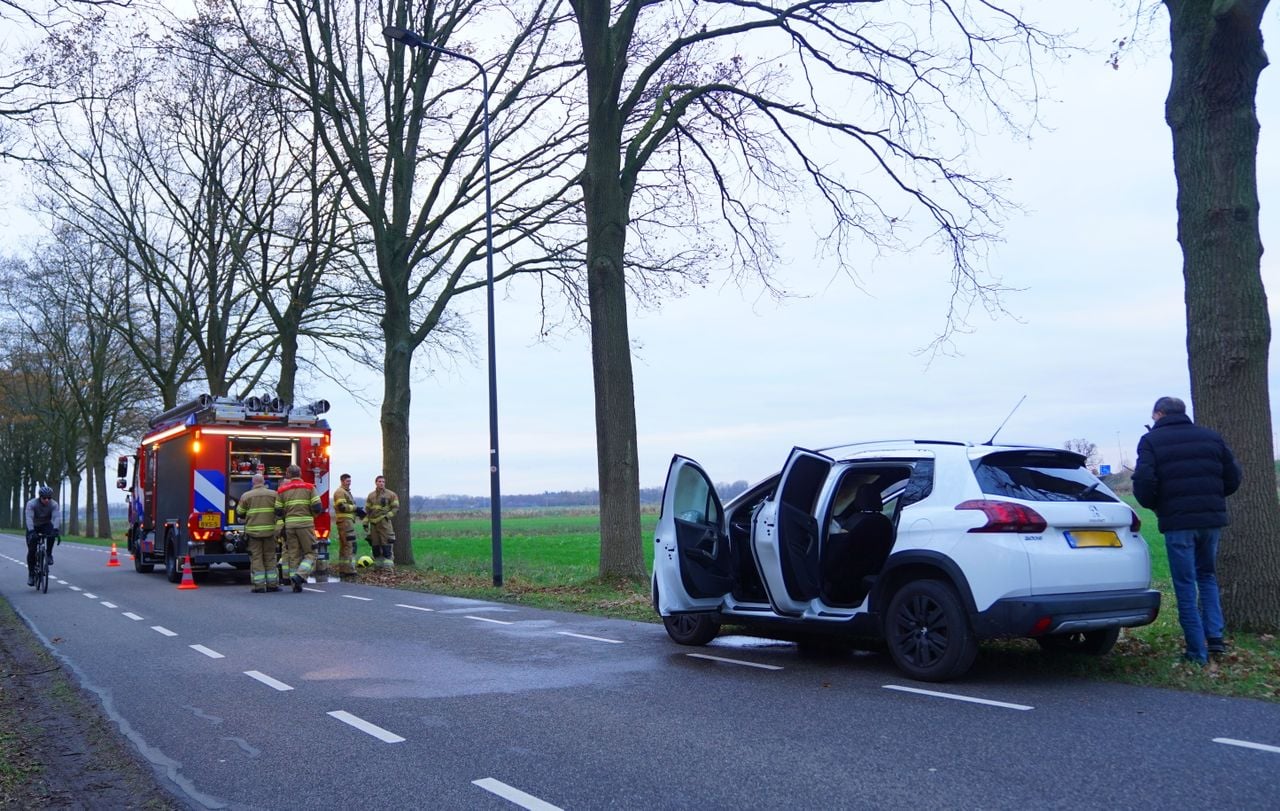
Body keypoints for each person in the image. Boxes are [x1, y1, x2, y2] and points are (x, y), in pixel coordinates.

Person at [1133, 395, 1242, 664]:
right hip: (1211, 520)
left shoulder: (1150, 441)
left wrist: (1153, 504)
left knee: (1184, 583)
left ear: (1158, 414)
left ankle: (1196, 651)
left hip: (1178, 521)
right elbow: (1233, 477)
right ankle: (1215, 638)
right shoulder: (1211, 436)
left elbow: (1145, 481)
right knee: (1207, 577)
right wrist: (1213, 499)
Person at [275, 465, 323, 592]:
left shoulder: (281, 490)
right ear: (300, 473)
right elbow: (317, 507)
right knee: (311, 553)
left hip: (290, 526)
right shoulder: (309, 487)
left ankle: (295, 585)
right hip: (306, 525)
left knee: (293, 555)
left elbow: (278, 511)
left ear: (288, 474)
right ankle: (300, 576)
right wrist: (311, 515)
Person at [239, 474, 282, 592]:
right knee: (270, 558)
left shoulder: (246, 496)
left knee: (257, 558)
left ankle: (259, 586)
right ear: (264, 482)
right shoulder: (274, 494)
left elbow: (240, 512)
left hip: (253, 533)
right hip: (270, 532)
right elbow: (280, 510)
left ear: (253, 483)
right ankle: (272, 585)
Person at [25, 486, 61, 586]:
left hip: (45, 524)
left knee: (52, 534)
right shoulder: (32, 504)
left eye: (49, 498)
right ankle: (31, 574)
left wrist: (56, 530)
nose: (47, 500)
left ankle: (48, 554)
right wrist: (31, 531)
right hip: (33, 526)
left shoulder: (54, 504)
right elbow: (29, 518)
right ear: (40, 497)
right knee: (32, 550)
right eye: (44, 498)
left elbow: (56, 517)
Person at [364, 475, 399, 571]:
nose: (381, 483)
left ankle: (388, 568)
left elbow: (395, 508)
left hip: (384, 523)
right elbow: (367, 510)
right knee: (375, 546)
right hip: (374, 524)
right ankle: (378, 567)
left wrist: (388, 516)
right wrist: (366, 522)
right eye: (379, 481)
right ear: (376, 483)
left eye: (383, 481)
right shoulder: (371, 495)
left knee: (386, 545)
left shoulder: (391, 494)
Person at [332, 473, 359, 582]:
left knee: (344, 547)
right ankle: (349, 570)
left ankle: (343, 569)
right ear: (342, 481)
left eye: (350, 481)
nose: (349, 483)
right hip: (345, 523)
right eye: (347, 481)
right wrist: (355, 508)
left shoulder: (346, 492)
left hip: (347, 522)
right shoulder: (340, 492)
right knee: (349, 545)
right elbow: (342, 507)